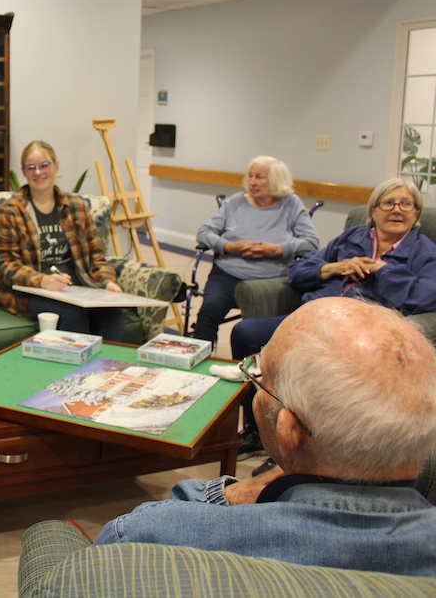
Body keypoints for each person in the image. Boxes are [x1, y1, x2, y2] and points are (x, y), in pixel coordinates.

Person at [94, 296, 436, 576]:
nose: (255, 381)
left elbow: (96, 566)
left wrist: (228, 494)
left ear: (290, 432)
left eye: (261, 375)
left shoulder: (151, 536)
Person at [230, 177, 436, 361]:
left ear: (416, 213)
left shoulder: (424, 251)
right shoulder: (353, 237)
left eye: (406, 204)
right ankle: (255, 392)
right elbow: (297, 271)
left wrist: (384, 271)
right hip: (315, 316)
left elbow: (427, 297)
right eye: (388, 203)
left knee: (317, 358)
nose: (397, 210)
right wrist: (336, 267)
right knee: (244, 332)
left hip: (364, 330)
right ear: (373, 211)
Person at [0, 140, 125, 340]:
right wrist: (42, 280)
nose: (38, 172)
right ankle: (74, 362)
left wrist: (107, 282)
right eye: (31, 168)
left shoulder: (77, 207)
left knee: (113, 316)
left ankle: (106, 361)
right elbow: (4, 264)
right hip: (31, 293)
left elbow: (95, 257)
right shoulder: (10, 210)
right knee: (73, 315)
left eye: (44, 165)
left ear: (56, 166)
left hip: (76, 290)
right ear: (24, 172)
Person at [193, 156, 318, 343]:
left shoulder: (291, 203)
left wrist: (278, 249)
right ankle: (200, 357)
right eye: (250, 176)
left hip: (272, 280)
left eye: (259, 177)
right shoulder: (236, 202)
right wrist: (228, 246)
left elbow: (311, 242)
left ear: (276, 180)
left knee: (260, 328)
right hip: (228, 274)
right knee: (208, 312)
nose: (252, 182)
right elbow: (204, 232)